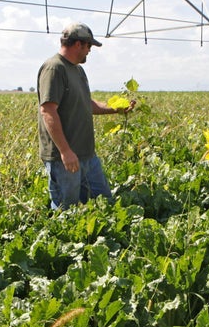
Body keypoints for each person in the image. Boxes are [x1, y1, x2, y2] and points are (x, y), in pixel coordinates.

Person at [37, 22, 136, 210]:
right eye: (89, 46)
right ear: (78, 44)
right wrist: (65, 151)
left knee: (104, 204)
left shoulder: (77, 70)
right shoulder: (54, 68)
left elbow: (87, 104)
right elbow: (48, 111)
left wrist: (118, 108)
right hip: (64, 158)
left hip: (87, 156)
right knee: (66, 212)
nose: (90, 51)